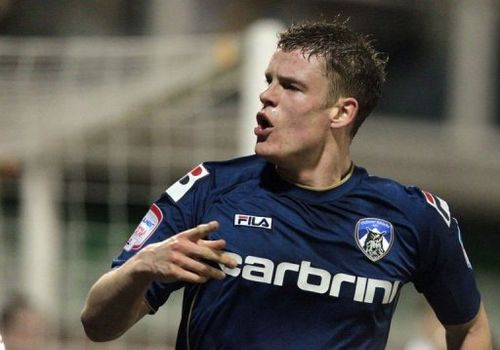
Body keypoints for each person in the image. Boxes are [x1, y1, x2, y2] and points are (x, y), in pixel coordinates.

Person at [81, 19, 492, 349]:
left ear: (341, 112)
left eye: (290, 86)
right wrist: (140, 267)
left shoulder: (412, 217)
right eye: (268, 80)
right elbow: (97, 326)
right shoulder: (210, 189)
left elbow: (470, 328)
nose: (266, 96)